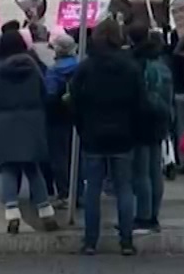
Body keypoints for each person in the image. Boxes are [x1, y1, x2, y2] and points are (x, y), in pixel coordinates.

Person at [68, 19, 148, 255]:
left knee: (92, 189)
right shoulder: (131, 67)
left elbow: (74, 99)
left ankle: (91, 241)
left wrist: (81, 126)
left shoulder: (86, 66)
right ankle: (126, 240)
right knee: (124, 188)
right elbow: (140, 103)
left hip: (93, 133)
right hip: (123, 134)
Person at [0, 25, 58, 234]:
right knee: (33, 169)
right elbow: (45, 93)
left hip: (4, 122)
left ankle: (12, 212)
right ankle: (46, 210)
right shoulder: (33, 67)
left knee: (9, 169)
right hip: (32, 121)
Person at [131, 23, 176, 233]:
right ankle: (154, 215)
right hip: (161, 118)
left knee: (141, 171)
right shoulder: (164, 66)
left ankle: (143, 215)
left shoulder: (140, 65)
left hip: (141, 120)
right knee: (155, 170)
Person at [43, 34, 80, 202]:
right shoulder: (80, 66)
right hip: (77, 116)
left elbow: (49, 96)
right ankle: (77, 191)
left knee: (59, 156)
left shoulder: (53, 71)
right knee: (76, 156)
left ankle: (64, 192)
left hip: (57, 118)